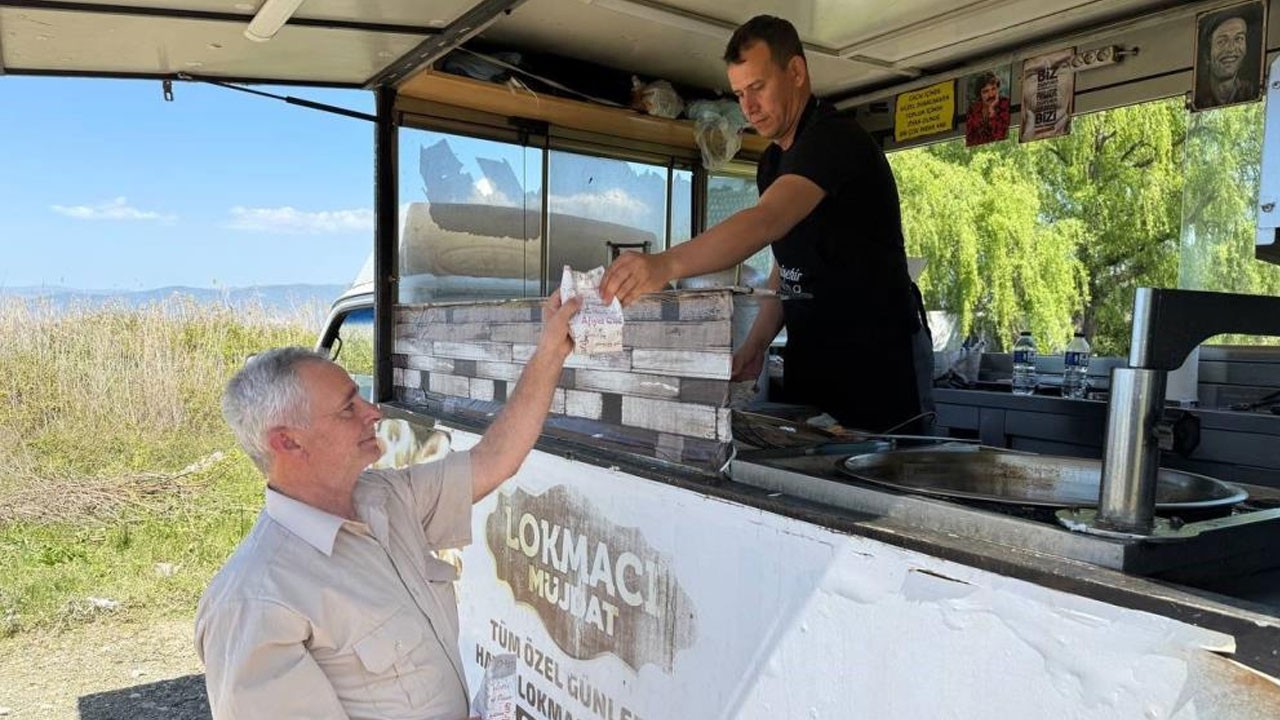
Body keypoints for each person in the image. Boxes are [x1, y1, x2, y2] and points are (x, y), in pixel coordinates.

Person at [194, 293, 580, 720]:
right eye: (347, 408)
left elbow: (494, 459)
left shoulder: (386, 499)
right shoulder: (256, 601)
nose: (373, 411)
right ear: (288, 441)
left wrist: (549, 352)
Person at [601, 14, 932, 434]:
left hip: (875, 376)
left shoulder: (835, 140)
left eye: (757, 87)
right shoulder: (772, 163)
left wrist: (664, 265)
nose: (748, 107)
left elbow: (765, 220)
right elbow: (788, 269)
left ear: (795, 72)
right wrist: (755, 346)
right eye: (739, 94)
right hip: (812, 374)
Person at [1195, 11, 1259, 110]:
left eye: (1238, 39)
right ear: (1207, 54)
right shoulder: (1199, 96)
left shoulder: (1251, 92)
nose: (1231, 49)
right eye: (1222, 41)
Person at [965, 70, 1010, 147]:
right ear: (979, 94)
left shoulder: (1005, 104)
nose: (991, 94)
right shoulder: (973, 109)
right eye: (985, 91)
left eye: (993, 89)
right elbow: (970, 140)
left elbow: (1000, 136)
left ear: (998, 89)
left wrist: (992, 110)